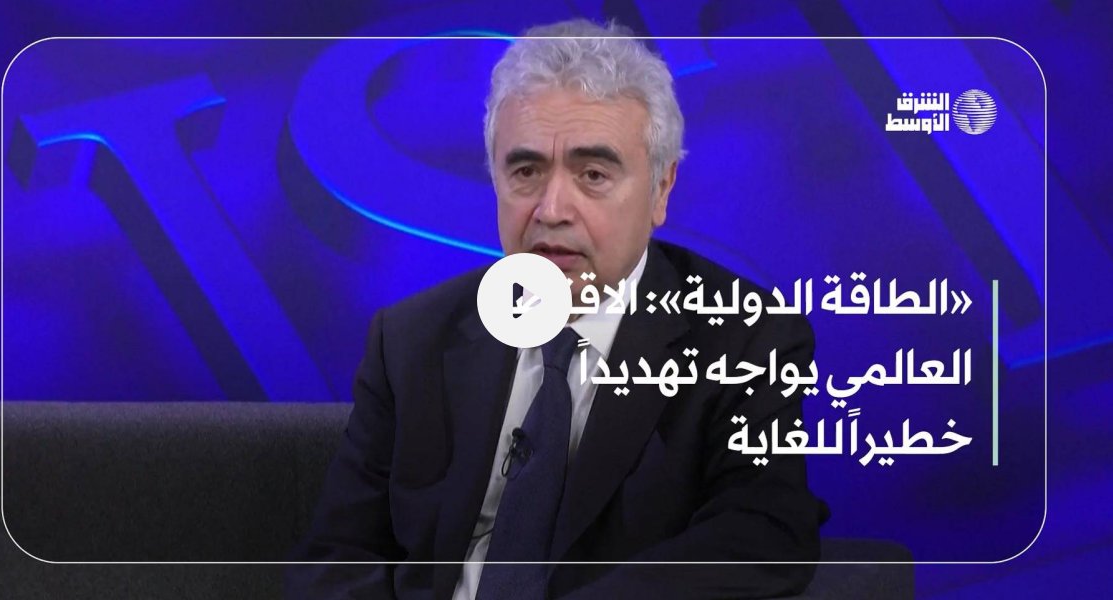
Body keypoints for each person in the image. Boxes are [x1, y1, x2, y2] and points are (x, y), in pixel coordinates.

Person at [287, 19, 827, 599]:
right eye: (525, 172)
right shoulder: (411, 340)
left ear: (661, 189)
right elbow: (337, 559)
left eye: (593, 175)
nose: (551, 210)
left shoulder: (744, 338)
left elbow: (763, 534)